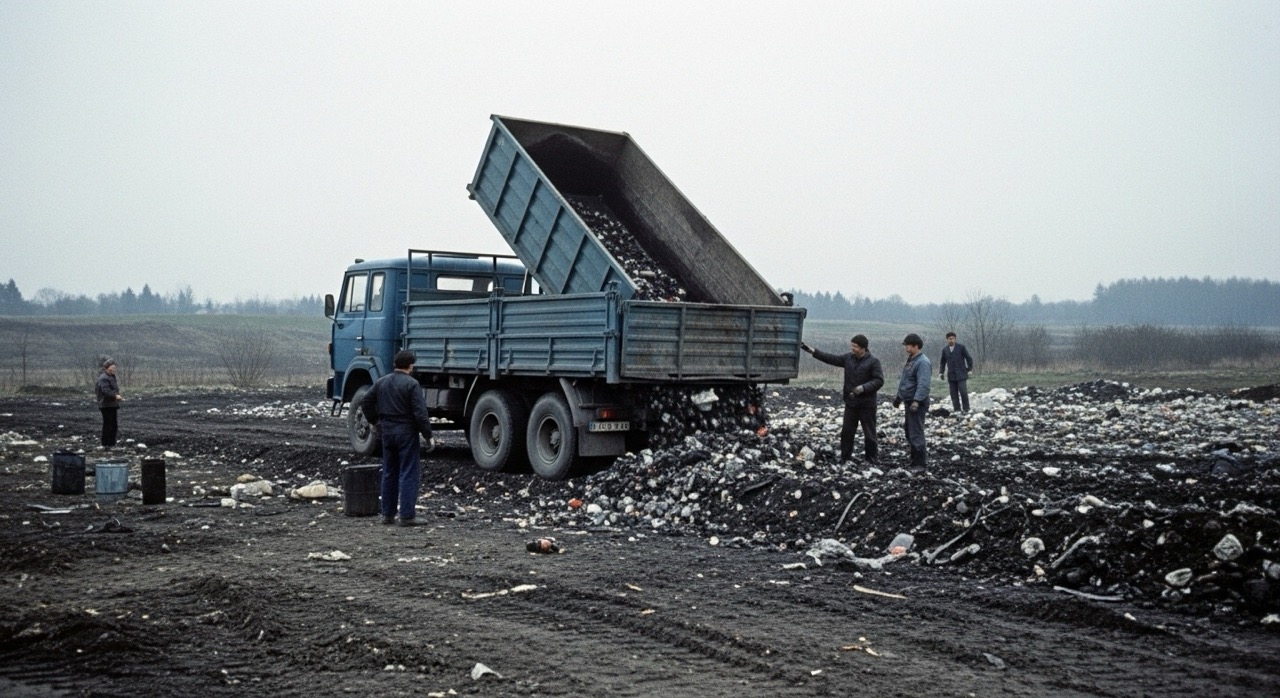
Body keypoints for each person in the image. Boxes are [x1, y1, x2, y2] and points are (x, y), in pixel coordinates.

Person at [360, 350, 434, 527]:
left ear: (395, 364)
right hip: (406, 432)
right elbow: (420, 413)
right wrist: (428, 435)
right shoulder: (412, 384)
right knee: (408, 472)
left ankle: (387, 515)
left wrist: (375, 421)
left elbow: (365, 402)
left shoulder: (382, 382)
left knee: (389, 471)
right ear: (410, 365)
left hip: (387, 431)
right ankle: (407, 516)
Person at [800, 334, 884, 463]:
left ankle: (871, 460)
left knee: (869, 434)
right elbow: (831, 359)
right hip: (851, 403)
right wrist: (813, 351)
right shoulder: (848, 358)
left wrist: (863, 388)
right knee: (846, 433)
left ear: (864, 348)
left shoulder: (873, 362)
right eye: (852, 345)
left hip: (867, 405)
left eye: (855, 346)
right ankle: (845, 458)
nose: (852, 348)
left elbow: (879, 380)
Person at [892, 333, 932, 469]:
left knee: (916, 433)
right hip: (909, 401)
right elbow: (906, 382)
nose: (906, 348)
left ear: (916, 346)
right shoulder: (912, 360)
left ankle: (920, 463)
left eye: (908, 346)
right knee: (909, 432)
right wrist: (899, 397)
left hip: (917, 403)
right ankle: (914, 460)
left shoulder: (923, 362)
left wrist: (916, 401)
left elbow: (923, 384)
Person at [939, 331, 975, 412]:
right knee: (953, 394)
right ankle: (957, 410)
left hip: (961, 374)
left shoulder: (961, 347)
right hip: (951, 375)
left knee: (963, 392)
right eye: (949, 339)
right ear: (947, 340)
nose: (951, 340)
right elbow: (942, 362)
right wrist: (941, 372)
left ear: (955, 339)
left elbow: (969, 358)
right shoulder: (945, 350)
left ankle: (966, 409)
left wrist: (969, 368)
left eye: (952, 339)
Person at [94, 357, 124, 447]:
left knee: (113, 425)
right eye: (112, 367)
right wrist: (115, 395)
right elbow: (105, 390)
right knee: (108, 425)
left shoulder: (111, 377)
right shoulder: (103, 378)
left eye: (115, 367)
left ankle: (111, 444)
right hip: (106, 405)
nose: (114, 369)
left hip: (111, 404)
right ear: (107, 368)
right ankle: (106, 444)